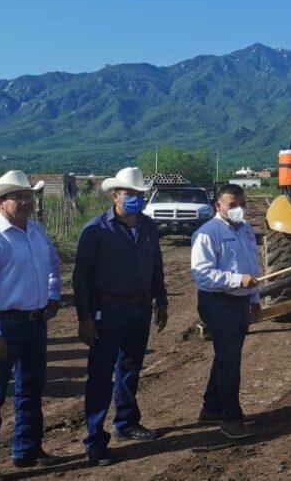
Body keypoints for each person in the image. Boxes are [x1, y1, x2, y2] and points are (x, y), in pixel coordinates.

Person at [0, 171, 61, 481]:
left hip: (35, 322)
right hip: (3, 324)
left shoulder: (36, 232)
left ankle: (27, 449)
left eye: (28, 196)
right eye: (17, 196)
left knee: (31, 389)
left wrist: (52, 295)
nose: (25, 201)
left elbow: (52, 265)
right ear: (0, 202)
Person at [72, 167, 168, 466]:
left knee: (130, 369)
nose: (136, 199)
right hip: (108, 310)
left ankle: (126, 422)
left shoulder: (150, 227)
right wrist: (85, 318)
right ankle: (95, 440)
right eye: (130, 194)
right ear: (115, 195)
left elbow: (157, 266)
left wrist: (161, 300)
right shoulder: (96, 230)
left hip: (140, 308)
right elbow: (81, 277)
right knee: (101, 376)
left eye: (140, 194)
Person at [191, 183, 261, 439]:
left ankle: (211, 408)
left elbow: (253, 266)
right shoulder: (207, 233)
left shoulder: (246, 230)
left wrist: (254, 297)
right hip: (217, 303)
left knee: (226, 356)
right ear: (218, 206)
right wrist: (236, 280)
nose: (239, 210)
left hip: (241, 302)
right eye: (233, 205)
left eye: (242, 205)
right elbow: (202, 275)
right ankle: (231, 419)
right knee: (230, 360)